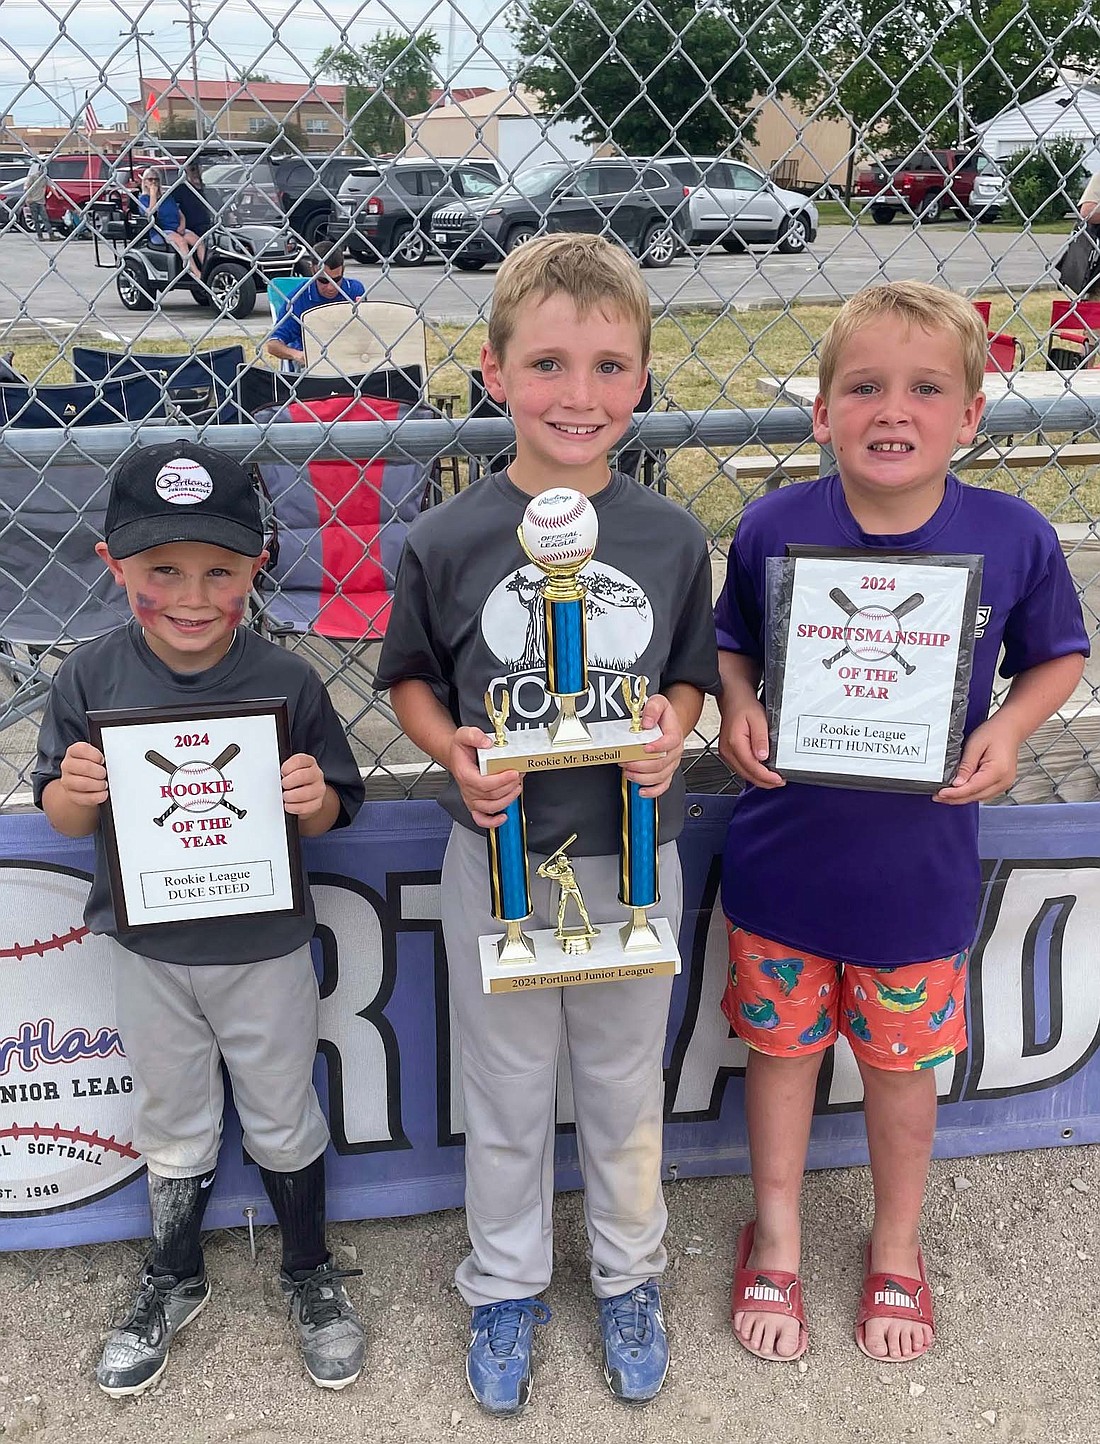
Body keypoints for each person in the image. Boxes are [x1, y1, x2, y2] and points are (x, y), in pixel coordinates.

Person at [376, 233, 719, 1414]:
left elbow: (683, 679)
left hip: (634, 854)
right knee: (509, 1086)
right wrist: (451, 751)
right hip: (499, 857)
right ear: (492, 370)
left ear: (641, 378)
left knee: (625, 1083)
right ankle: (506, 1281)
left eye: (610, 367)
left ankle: (628, 1273)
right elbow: (412, 678)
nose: (579, 395)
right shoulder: (447, 537)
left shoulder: (670, 539)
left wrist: (670, 729)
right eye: (549, 364)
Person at [715, 280, 1088, 1366]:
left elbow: (1057, 653)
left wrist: (1011, 726)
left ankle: (895, 1245)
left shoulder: (1009, 534)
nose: (892, 409)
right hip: (784, 863)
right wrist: (737, 702)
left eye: (925, 388)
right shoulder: (773, 524)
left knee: (896, 1069)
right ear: (821, 408)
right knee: (779, 1057)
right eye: (863, 385)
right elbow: (730, 639)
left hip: (916, 876)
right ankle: (774, 1233)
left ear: (969, 415)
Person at [32, 440, 368, 1397]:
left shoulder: (288, 680)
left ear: (257, 567)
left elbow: (337, 803)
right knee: (173, 1117)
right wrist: (76, 789)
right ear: (114, 565)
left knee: (280, 1110)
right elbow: (60, 809)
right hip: (151, 946)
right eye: (161, 571)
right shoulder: (89, 680)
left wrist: (311, 798)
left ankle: (308, 1270)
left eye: (219, 571)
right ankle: (175, 1276)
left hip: (261, 945)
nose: (190, 595)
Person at [265, 247, 367, 369]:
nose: (331, 287)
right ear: (313, 271)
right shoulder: (297, 298)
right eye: (323, 280)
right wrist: (297, 355)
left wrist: (365, 315)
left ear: (343, 271)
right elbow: (272, 344)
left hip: (349, 357)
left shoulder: (355, 289)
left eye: (336, 280)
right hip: (312, 362)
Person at [137, 169, 205, 281]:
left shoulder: (167, 197)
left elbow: (180, 214)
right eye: (150, 179)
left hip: (177, 227)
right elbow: (151, 213)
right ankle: (193, 270)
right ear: (144, 182)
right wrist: (153, 194)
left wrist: (182, 225)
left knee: (198, 241)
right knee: (181, 242)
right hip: (161, 230)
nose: (153, 182)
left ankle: (205, 268)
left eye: (156, 179)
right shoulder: (143, 199)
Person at [22, 161, 57, 241]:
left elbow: (51, 187)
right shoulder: (35, 177)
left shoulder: (44, 178)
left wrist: (58, 196)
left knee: (42, 219)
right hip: (34, 201)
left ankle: (47, 235)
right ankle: (43, 235)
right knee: (39, 219)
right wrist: (28, 198)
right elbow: (26, 188)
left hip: (39, 201)